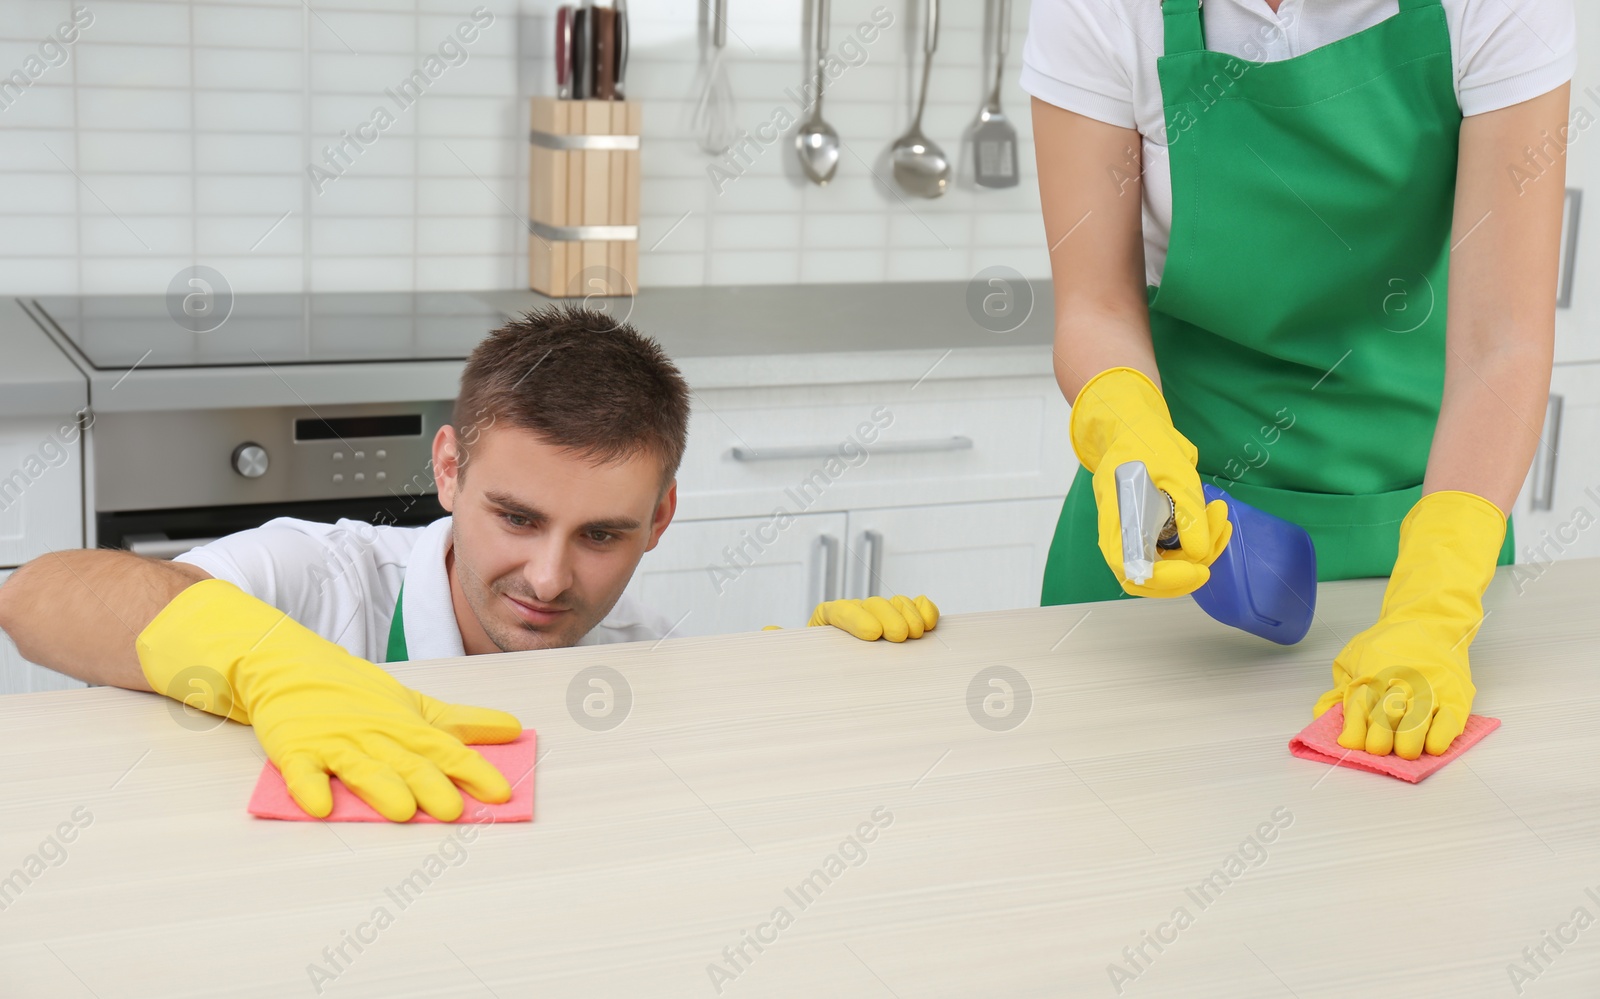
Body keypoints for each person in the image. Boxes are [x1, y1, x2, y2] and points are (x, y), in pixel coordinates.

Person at [0, 307, 939, 822]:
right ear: (449, 470)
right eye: (517, 517)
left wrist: (815, 684)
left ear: (661, 519)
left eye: (601, 535)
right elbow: (36, 597)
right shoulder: (321, 584)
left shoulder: (644, 663)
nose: (546, 578)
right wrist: (266, 665)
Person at [1023, 0, 1573, 758]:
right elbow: (1096, 304)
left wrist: (1434, 602)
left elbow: (1501, 340)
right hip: (1179, 534)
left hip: (1424, 527)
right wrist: (1128, 434)